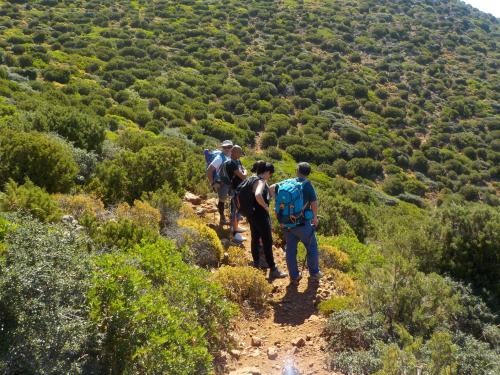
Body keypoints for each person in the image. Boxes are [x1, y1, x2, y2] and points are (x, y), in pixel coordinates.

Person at [274, 162, 321, 284]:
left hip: (286, 223)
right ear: (308, 173)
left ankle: (294, 276)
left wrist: (280, 213)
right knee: (312, 247)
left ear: (297, 171)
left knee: (290, 250)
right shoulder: (307, 185)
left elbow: (271, 188)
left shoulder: (287, 182)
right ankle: (314, 273)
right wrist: (315, 218)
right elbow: (314, 203)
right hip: (302, 224)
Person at [248, 161, 287, 279]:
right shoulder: (260, 181)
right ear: (266, 172)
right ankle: (273, 269)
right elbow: (258, 195)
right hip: (260, 216)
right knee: (267, 242)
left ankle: (256, 263)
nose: (270, 176)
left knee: (254, 239)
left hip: (251, 214)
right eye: (270, 174)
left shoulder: (252, 179)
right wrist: (265, 206)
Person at [223, 145, 248, 242]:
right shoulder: (231, 163)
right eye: (239, 153)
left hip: (239, 189)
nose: (240, 155)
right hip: (234, 190)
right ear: (234, 152)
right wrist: (245, 172)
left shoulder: (237, 161)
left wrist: (244, 172)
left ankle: (236, 227)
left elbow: (242, 170)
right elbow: (243, 175)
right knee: (234, 210)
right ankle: (234, 233)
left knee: (238, 209)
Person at [207, 140, 233, 226]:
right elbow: (209, 170)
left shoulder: (230, 156)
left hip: (229, 182)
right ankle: (222, 218)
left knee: (232, 199)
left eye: (229, 147)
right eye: (225, 147)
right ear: (222, 148)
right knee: (222, 201)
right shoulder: (219, 158)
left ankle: (231, 217)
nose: (227, 149)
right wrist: (212, 183)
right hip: (221, 183)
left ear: (232, 147)